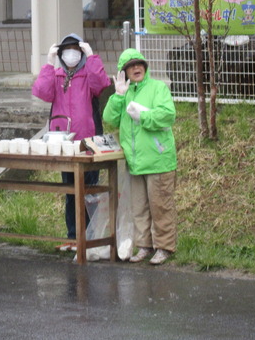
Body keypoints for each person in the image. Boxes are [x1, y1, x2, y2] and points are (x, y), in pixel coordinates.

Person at [32, 33, 111, 250]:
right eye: (66, 50)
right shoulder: (56, 76)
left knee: (90, 190)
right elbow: (41, 92)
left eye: (75, 50)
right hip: (63, 143)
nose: (71, 54)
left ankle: (92, 238)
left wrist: (92, 56)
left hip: (87, 143)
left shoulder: (88, 74)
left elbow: (102, 84)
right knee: (70, 191)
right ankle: (74, 236)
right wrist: (48, 64)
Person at [102, 48, 177, 265]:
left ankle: (164, 247)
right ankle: (144, 246)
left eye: (139, 64)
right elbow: (109, 118)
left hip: (158, 159)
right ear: (123, 72)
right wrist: (117, 96)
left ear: (145, 67)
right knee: (139, 208)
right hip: (135, 162)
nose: (136, 68)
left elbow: (167, 115)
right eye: (130, 66)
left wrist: (142, 115)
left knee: (160, 207)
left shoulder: (157, 88)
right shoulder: (124, 93)